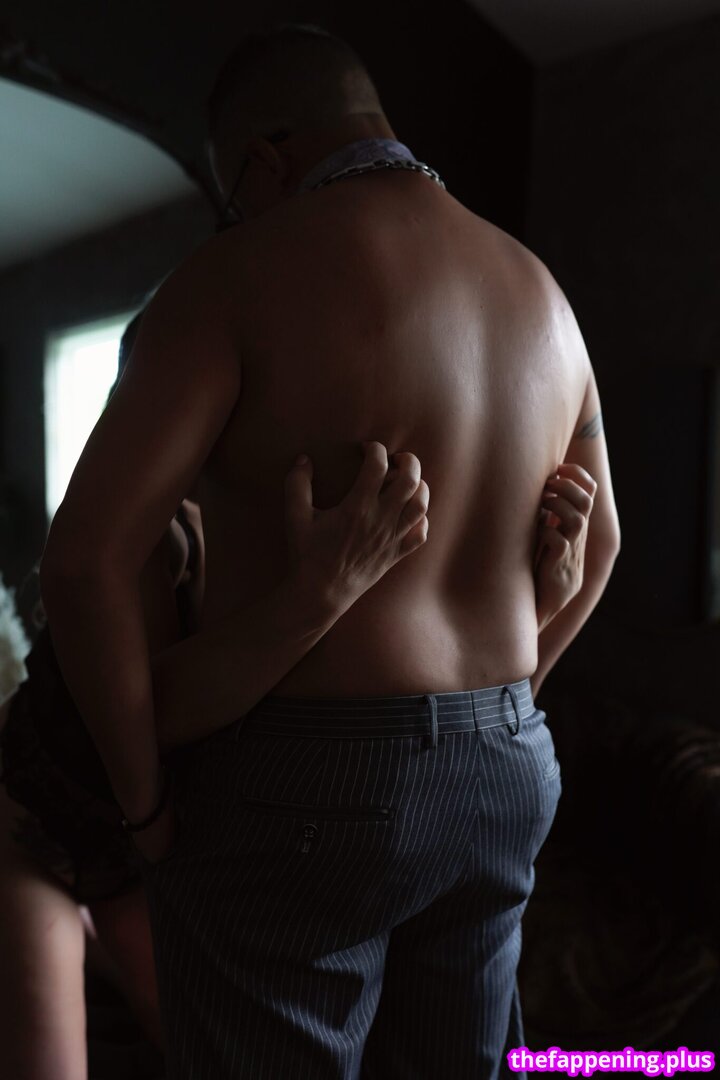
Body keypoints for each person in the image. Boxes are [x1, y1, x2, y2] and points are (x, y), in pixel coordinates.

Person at [39, 22, 620, 1080]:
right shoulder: (543, 293)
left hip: (311, 781)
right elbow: (603, 543)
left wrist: (146, 807)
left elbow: (82, 564)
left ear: (264, 160)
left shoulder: (233, 278)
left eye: (232, 194)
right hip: (507, 767)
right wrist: (497, 714)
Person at [1, 314, 433, 1080]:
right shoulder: (138, 542)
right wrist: (320, 594)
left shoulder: (267, 535)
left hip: (128, 843)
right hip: (32, 825)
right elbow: (158, 713)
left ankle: (94, 940)